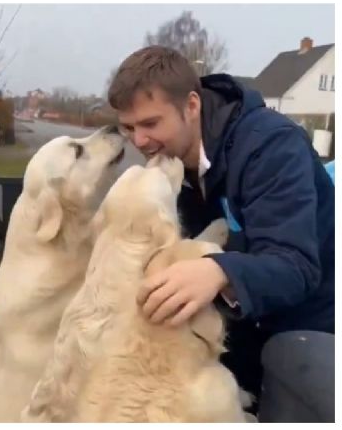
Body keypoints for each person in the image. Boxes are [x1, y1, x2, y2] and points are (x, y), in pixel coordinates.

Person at [107, 46, 334, 411]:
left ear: (191, 106)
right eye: (129, 128)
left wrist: (218, 271)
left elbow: (296, 267)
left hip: (309, 339)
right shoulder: (173, 163)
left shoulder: (271, 149)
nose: (139, 141)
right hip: (241, 331)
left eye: (150, 124)